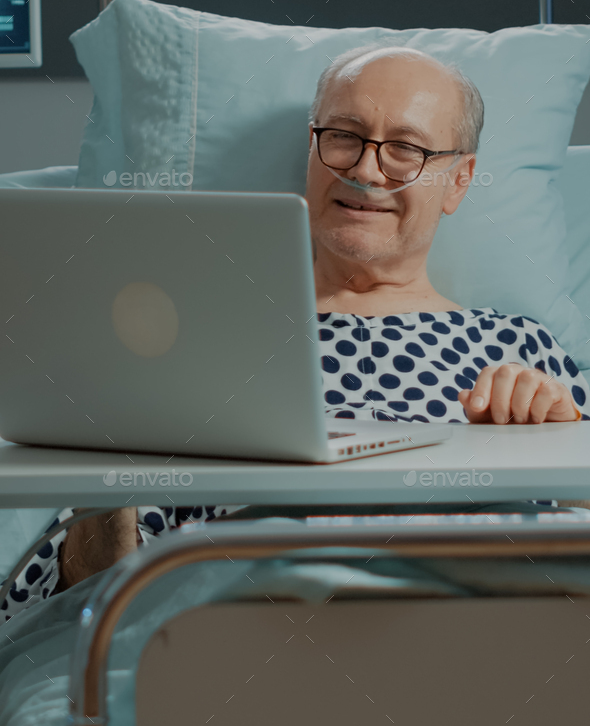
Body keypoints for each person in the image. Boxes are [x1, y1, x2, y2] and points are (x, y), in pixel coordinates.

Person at [4, 45, 588, 619]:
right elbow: (89, 597)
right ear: (312, 149)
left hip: (473, 633)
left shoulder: (521, 348)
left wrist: (560, 460)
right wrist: (110, 443)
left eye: (405, 149)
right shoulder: (197, 347)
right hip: (234, 633)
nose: (365, 170)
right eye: (343, 137)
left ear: (459, 182)